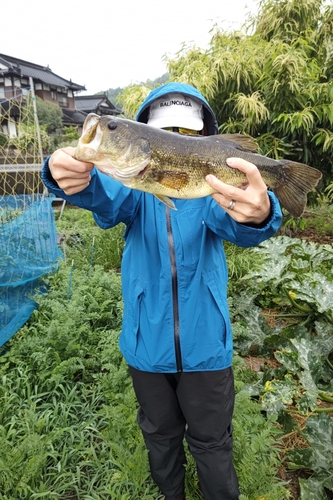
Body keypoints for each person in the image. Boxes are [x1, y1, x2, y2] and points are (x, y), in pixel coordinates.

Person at [41, 82, 282, 500]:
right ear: (147, 136)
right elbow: (101, 194)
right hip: (146, 347)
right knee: (160, 436)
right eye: (169, 134)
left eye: (189, 137)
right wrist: (63, 174)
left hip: (207, 347)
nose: (180, 145)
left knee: (212, 442)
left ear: (206, 139)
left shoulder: (214, 197)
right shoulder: (133, 191)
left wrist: (261, 212)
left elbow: (244, 226)